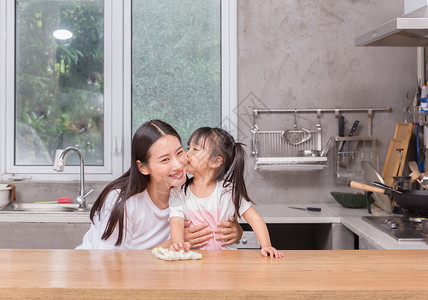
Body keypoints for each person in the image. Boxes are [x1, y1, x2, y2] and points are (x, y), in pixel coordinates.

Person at [76, 120, 242, 249]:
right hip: (93, 276)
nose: (178, 165)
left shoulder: (186, 191)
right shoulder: (122, 201)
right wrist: (174, 243)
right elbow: (112, 264)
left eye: (179, 152)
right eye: (165, 160)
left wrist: (236, 232)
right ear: (143, 167)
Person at [169, 127, 283, 258]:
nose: (186, 154)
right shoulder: (178, 191)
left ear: (215, 161)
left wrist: (266, 246)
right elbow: (176, 221)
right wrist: (178, 244)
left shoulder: (228, 190)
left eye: (195, 149)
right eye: (188, 147)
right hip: (194, 261)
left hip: (227, 262)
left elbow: (254, 218)